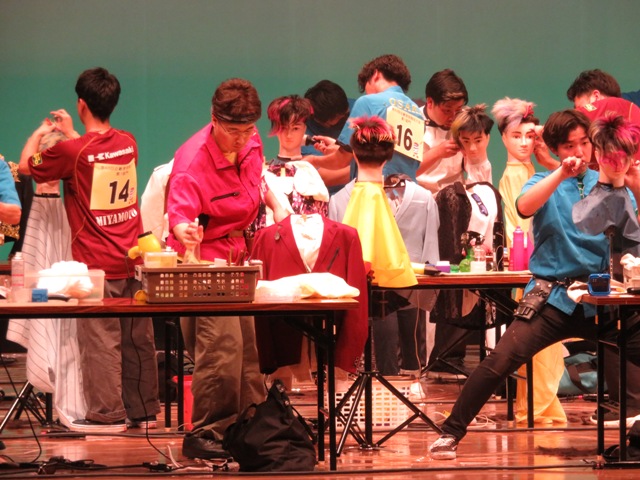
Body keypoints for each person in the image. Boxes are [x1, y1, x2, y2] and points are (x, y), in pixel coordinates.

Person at [428, 109, 640, 460]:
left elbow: (631, 232)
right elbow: (525, 207)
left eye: (584, 143)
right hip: (553, 299)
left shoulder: (611, 184)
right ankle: (450, 432)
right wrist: (560, 173)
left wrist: (629, 179)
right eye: (569, 146)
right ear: (555, 149)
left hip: (602, 300)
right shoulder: (543, 181)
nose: (578, 152)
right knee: (499, 361)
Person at [18, 67, 160, 433]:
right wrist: (72, 133)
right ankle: (144, 412)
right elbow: (93, 156)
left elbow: (26, 166)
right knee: (138, 340)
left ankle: (106, 415)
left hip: (96, 264)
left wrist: (39, 134)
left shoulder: (70, 151)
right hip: (133, 259)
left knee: (101, 342)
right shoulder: (128, 142)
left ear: (81, 104)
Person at [165, 78, 266, 459]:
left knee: (249, 354)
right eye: (232, 131)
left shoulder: (251, 142)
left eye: (247, 130)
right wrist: (184, 230)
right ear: (213, 119)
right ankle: (207, 433)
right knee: (222, 350)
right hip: (202, 259)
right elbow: (179, 216)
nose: (241, 139)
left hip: (239, 257)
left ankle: (249, 427)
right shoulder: (192, 161)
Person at [7, 131, 86, 428]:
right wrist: (43, 133)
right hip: (43, 223)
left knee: (65, 316)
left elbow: (80, 152)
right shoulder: (33, 188)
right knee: (41, 299)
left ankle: (70, 398)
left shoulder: (72, 187)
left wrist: (58, 133)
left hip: (61, 228)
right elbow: (26, 164)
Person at [304, 54, 426, 182]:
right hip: (409, 188)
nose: (366, 92)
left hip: (375, 188)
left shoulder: (368, 102)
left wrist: (312, 160)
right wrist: (337, 145)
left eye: (365, 86)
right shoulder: (416, 111)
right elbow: (402, 160)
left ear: (375, 74)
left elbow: (342, 160)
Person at [417, 69, 478, 194]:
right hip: (420, 195)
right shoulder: (411, 121)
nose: (453, 117)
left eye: (458, 109)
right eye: (447, 110)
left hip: (456, 195)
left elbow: (476, 165)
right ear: (430, 102)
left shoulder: (465, 121)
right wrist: (438, 152)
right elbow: (404, 172)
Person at [568, 69, 640, 159]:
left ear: (596, 96)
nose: (580, 111)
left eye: (580, 107)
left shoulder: (620, 105)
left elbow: (567, 120)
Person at [302, 80, 354, 191]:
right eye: (340, 117)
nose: (346, 117)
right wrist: (366, 169)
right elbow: (322, 177)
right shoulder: (303, 134)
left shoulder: (358, 108)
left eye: (347, 113)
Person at [449, 104, 494, 185]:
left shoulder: (485, 168)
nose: (472, 148)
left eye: (478, 141)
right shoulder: (461, 157)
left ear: (487, 138)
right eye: (466, 141)